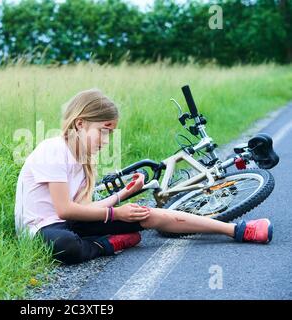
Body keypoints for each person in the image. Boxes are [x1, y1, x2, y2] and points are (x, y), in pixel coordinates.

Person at [14, 88, 273, 265]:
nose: (106, 140)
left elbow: (84, 210)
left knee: (145, 213)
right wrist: (116, 214)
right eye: (103, 131)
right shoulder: (52, 150)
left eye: (111, 134)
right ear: (80, 124)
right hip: (43, 229)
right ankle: (105, 245)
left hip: (72, 223)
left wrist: (123, 195)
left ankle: (236, 230)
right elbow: (65, 209)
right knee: (65, 244)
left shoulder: (83, 161)